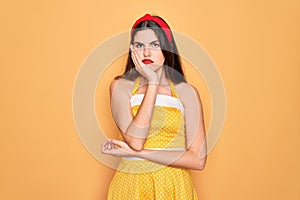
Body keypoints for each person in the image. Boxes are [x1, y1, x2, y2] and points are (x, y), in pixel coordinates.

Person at [101, 13, 207, 200]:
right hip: (131, 185)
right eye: (140, 46)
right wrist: (152, 82)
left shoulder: (186, 92)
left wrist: (137, 154)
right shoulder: (121, 87)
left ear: (167, 49)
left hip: (173, 186)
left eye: (154, 45)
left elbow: (197, 160)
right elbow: (136, 141)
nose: (147, 53)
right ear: (132, 49)